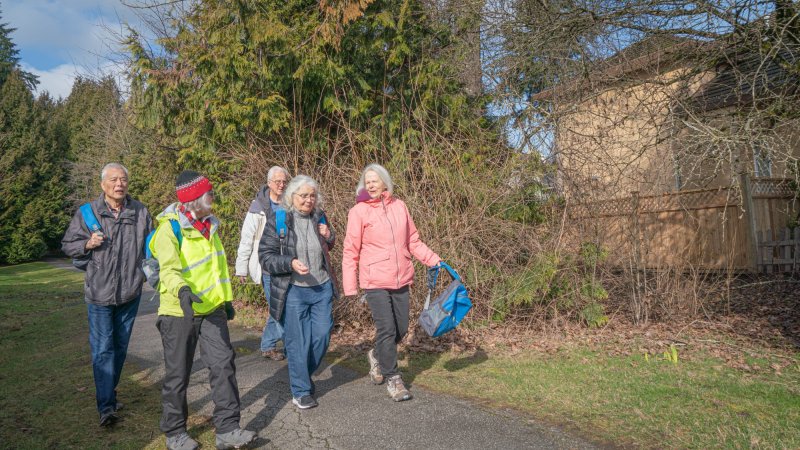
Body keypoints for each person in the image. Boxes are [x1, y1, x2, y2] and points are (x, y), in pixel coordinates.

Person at [149, 171, 256, 450]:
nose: (213, 196)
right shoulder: (168, 229)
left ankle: (228, 430)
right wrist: (183, 291)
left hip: (211, 310)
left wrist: (227, 300)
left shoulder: (210, 225)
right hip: (178, 311)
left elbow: (217, 270)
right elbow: (168, 270)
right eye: (209, 193)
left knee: (223, 366)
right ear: (194, 198)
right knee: (177, 374)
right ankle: (175, 434)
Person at [61, 163, 153, 427]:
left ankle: (108, 394)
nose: (119, 184)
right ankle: (106, 407)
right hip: (99, 295)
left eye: (123, 179)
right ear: (102, 185)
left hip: (130, 294)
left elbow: (152, 247)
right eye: (113, 179)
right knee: (103, 350)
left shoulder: (141, 211)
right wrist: (86, 244)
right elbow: (68, 245)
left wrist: (146, 274)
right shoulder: (88, 213)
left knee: (120, 348)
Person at [341, 163, 441, 402]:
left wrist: (434, 260)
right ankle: (393, 379)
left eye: (375, 180)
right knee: (386, 328)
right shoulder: (359, 212)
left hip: (401, 277)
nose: (371, 185)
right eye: (368, 181)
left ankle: (377, 355)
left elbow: (413, 241)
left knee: (402, 328)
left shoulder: (400, 206)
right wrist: (350, 285)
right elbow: (350, 250)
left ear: (385, 182)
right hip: (374, 280)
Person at [258, 175, 337, 410]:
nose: (309, 200)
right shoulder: (279, 219)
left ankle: (302, 374)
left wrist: (329, 236)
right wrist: (290, 262)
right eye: (303, 195)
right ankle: (301, 390)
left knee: (322, 336)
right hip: (293, 290)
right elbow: (266, 257)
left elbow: (328, 245)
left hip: (321, 287)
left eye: (312, 195)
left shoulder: (319, 217)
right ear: (292, 197)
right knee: (297, 342)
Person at [234, 166, 290, 361]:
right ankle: (275, 345)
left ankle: (272, 344)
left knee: (285, 306)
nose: (282, 185)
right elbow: (247, 239)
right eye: (278, 182)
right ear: (269, 184)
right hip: (267, 265)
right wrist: (241, 269)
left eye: (284, 181)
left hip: (288, 263)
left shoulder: (290, 203)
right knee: (278, 307)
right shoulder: (257, 207)